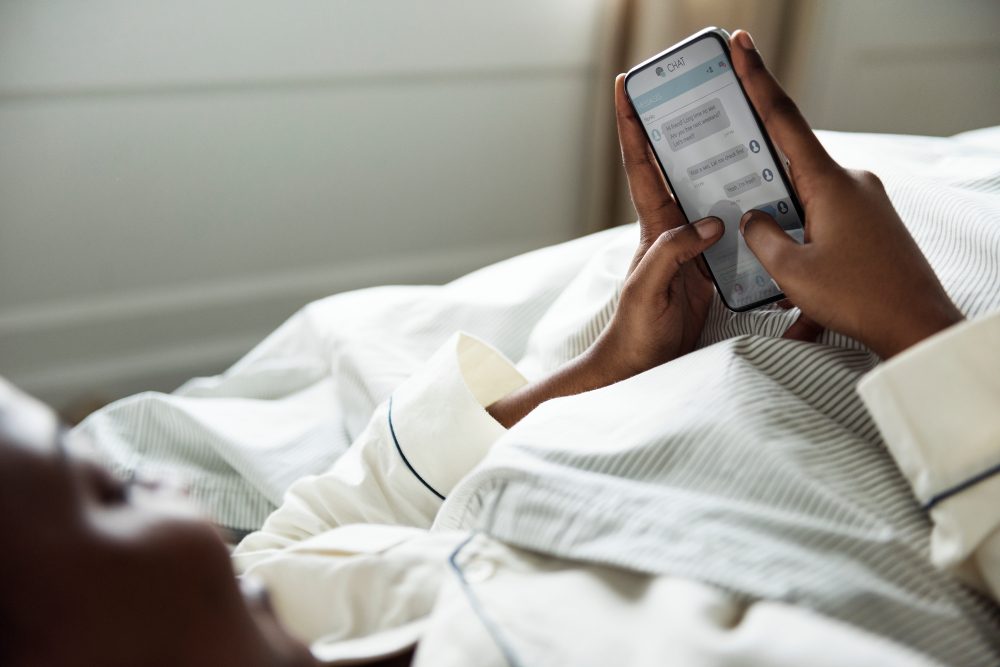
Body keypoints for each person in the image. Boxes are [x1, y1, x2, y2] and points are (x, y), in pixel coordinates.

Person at [1, 30, 997, 666]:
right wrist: (915, 326)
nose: (170, 490)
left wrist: (607, 367)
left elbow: (308, 525)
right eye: (110, 494)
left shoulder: (283, 604)